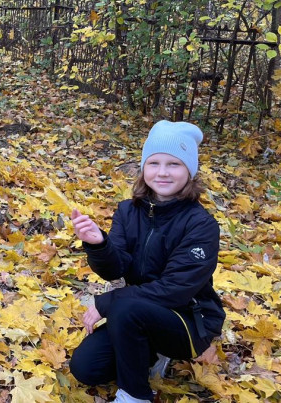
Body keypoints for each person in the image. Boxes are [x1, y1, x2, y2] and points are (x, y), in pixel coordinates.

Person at [68, 120, 225, 403]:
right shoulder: (128, 211)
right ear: (143, 169)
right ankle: (145, 351)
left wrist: (106, 303)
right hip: (134, 313)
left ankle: (135, 395)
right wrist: (99, 245)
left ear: (189, 171)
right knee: (86, 368)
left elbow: (175, 289)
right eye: (154, 163)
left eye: (174, 164)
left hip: (187, 321)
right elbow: (115, 269)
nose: (162, 172)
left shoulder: (201, 224)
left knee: (126, 305)